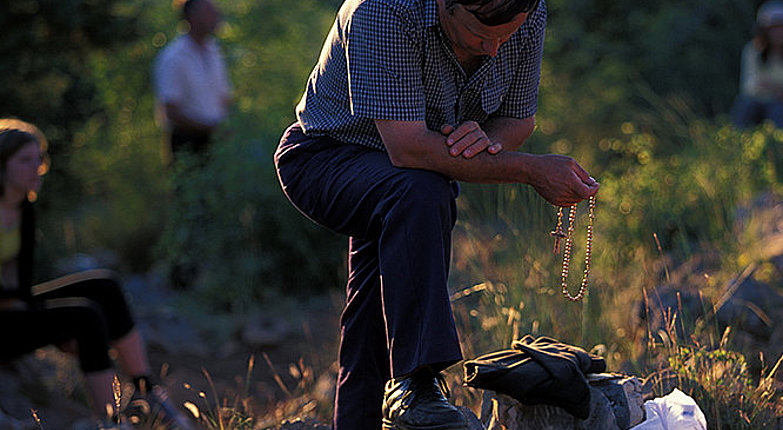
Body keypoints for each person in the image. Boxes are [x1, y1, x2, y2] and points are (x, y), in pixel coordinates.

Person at [273, 0, 598, 427]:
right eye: (481, 36)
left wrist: (485, 141)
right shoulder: (383, 11)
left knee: (375, 312)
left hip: (406, 177)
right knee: (423, 191)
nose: (495, 50)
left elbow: (519, 120)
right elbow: (408, 148)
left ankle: (363, 419)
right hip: (326, 157)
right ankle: (418, 381)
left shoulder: (529, 10)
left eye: (505, 37)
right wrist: (531, 169)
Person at [0, 119, 196, 430]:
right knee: (84, 316)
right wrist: (44, 320)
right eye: (25, 160)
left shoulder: (23, 208)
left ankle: (147, 394)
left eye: (38, 159)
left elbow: (21, 283)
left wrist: (39, 317)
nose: (36, 167)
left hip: (14, 307)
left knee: (104, 285)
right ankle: (111, 422)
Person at [153, 0, 231, 162]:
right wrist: (209, 128)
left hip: (217, 141)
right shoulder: (173, 57)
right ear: (192, 17)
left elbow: (224, 97)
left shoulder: (214, 50)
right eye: (209, 12)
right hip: (187, 143)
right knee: (191, 185)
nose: (217, 15)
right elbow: (171, 110)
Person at [731, 0, 783, 138]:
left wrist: (772, 88)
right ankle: (738, 146)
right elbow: (748, 88)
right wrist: (781, 90)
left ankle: (780, 151)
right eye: (774, 28)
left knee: (778, 109)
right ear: (764, 30)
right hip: (759, 107)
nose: (779, 33)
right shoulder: (753, 51)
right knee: (745, 106)